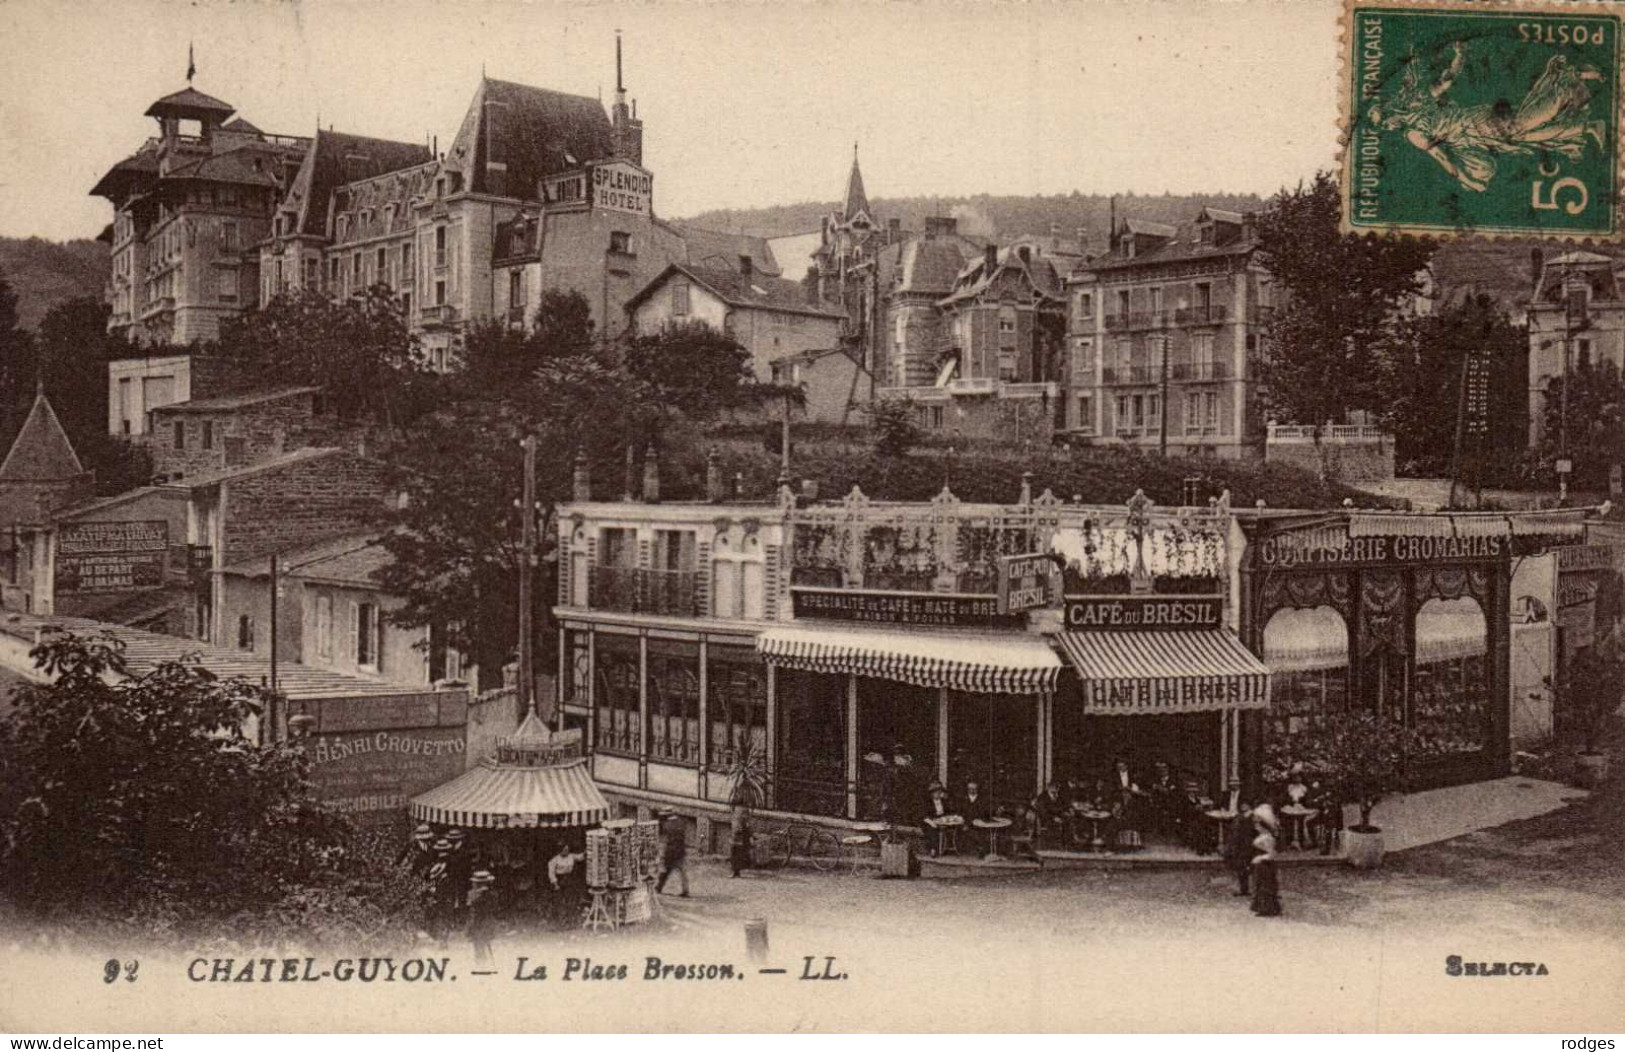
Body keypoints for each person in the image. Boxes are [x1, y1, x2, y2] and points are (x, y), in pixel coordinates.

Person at [1250, 803, 1282, 917]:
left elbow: (1272, 854)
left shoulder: (1267, 838)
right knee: (1261, 885)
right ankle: (1263, 907)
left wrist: (1260, 858)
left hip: (1266, 865)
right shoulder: (1263, 836)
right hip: (1261, 866)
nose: (1255, 826)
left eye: (1257, 824)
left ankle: (1268, 908)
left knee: (1266, 886)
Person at [466, 869, 497, 968]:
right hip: (488, 923)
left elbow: (473, 913)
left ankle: (481, 966)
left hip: (477, 924)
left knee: (478, 948)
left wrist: (469, 928)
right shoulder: (493, 894)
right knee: (484, 945)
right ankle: (484, 965)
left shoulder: (473, 895)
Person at [656, 811, 690, 897]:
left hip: (670, 852)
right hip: (680, 851)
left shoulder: (667, 825)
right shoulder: (681, 822)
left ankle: (659, 887)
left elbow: (664, 837)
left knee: (665, 871)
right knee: (682, 872)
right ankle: (685, 890)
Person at [921, 781, 959, 857]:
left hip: (942, 821)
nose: (938, 794)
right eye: (936, 792)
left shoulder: (944, 802)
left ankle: (951, 848)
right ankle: (933, 849)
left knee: (955, 827)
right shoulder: (928, 803)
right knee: (932, 829)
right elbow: (924, 816)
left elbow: (950, 811)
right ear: (932, 794)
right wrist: (932, 822)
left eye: (939, 792)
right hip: (930, 822)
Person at [1226, 802, 1255, 896]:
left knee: (1249, 866)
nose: (1243, 806)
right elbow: (1234, 831)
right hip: (1240, 844)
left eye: (1245, 804)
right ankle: (1243, 888)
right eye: (1242, 804)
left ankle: (1249, 888)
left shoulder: (1253, 816)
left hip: (1250, 844)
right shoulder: (1239, 817)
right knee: (1240, 866)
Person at [1031, 781, 1069, 848]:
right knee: (1061, 825)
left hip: (1057, 817)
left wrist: (1065, 812)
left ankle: (1066, 843)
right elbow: (1043, 812)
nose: (1056, 792)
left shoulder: (1057, 796)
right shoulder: (1042, 798)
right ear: (1049, 788)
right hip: (1046, 819)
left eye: (1057, 789)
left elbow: (1061, 807)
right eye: (1054, 789)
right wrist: (1053, 818)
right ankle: (1056, 844)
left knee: (1069, 821)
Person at [730, 810, 753, 877]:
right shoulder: (735, 819)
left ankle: (737, 872)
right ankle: (735, 872)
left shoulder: (745, 821)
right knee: (734, 855)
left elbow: (748, 829)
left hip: (740, 840)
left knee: (738, 856)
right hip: (735, 839)